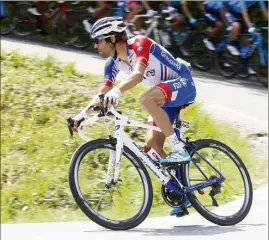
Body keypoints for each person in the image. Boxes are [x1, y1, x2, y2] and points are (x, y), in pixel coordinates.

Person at [72, 16, 196, 216]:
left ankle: (178, 149)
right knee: (152, 147)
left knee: (146, 99)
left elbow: (137, 75)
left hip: (183, 84)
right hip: (163, 96)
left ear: (111, 38)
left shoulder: (139, 44)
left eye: (97, 40)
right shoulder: (111, 63)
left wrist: (117, 92)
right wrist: (80, 116)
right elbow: (101, 94)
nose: (95, 45)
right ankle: (183, 191)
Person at [224, 1, 268, 74]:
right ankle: (230, 44)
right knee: (236, 26)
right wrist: (251, 28)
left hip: (241, 12)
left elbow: (264, 11)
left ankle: (244, 63)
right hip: (230, 10)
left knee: (246, 41)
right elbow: (245, 14)